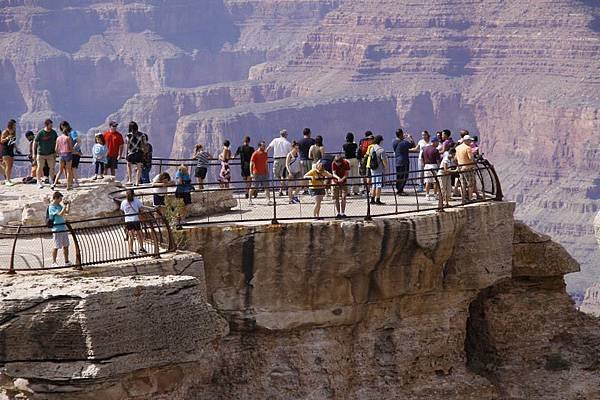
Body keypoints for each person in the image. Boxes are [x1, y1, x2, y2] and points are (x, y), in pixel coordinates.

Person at [120, 189, 147, 256]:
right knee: (139, 235)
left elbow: (122, 210)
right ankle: (141, 248)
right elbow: (141, 208)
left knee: (131, 236)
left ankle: (131, 250)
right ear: (133, 194)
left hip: (128, 221)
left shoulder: (123, 202)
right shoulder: (136, 200)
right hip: (135, 220)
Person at [47, 191, 71, 268]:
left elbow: (66, 212)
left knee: (66, 245)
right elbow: (60, 214)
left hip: (63, 227)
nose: (61, 200)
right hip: (57, 228)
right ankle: (54, 262)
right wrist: (64, 206)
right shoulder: (52, 207)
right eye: (60, 198)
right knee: (56, 246)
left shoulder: (59, 205)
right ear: (56, 198)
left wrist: (68, 205)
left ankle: (66, 261)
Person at [267, 129, 292, 196]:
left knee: (276, 174)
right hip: (285, 160)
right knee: (283, 176)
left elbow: (269, 148)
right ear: (286, 135)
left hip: (277, 160)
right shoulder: (288, 143)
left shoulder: (275, 140)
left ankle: (281, 190)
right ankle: (285, 188)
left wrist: (265, 155)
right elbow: (291, 153)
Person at [34, 119, 58, 189]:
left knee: (52, 167)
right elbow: (35, 143)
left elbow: (56, 142)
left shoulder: (53, 132)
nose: (52, 126)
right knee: (39, 167)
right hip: (41, 153)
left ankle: (51, 181)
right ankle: (39, 182)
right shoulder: (41, 133)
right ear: (46, 125)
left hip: (51, 153)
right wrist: (34, 153)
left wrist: (56, 152)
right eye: (50, 125)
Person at [52, 121, 74, 191]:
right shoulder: (68, 138)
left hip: (61, 155)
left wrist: (59, 153)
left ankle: (54, 184)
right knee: (68, 171)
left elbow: (56, 149)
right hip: (68, 154)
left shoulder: (58, 138)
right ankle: (68, 186)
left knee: (60, 170)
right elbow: (71, 148)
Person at [392, 128, 414, 195]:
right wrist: (410, 138)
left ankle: (398, 189)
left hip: (397, 161)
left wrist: (402, 138)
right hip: (404, 161)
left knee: (399, 176)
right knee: (404, 176)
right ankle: (400, 191)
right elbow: (412, 145)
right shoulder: (404, 142)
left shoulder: (394, 142)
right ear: (401, 134)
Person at [125, 121, 148, 185]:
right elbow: (145, 145)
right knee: (139, 167)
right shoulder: (142, 135)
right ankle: (137, 181)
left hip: (131, 153)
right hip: (139, 153)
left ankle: (130, 180)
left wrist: (126, 154)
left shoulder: (128, 135)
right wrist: (145, 153)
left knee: (129, 165)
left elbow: (127, 145)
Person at [455, 135, 477, 203]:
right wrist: (474, 161)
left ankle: (463, 199)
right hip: (468, 168)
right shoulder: (468, 148)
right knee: (470, 184)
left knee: (462, 184)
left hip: (461, 167)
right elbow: (471, 158)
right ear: (466, 141)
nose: (470, 141)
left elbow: (455, 158)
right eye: (469, 140)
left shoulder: (458, 148)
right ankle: (470, 198)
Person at [249, 141, 271, 205]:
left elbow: (266, 163)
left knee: (267, 187)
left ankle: (268, 200)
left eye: (264, 146)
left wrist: (267, 172)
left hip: (264, 173)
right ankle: (250, 200)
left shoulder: (265, 153)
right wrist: (251, 173)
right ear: (259, 146)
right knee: (254, 186)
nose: (264, 147)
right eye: (263, 146)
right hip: (256, 173)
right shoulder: (255, 153)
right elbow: (251, 163)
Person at [368, 135, 387, 205]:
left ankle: (372, 199)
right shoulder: (381, 150)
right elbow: (384, 161)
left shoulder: (372, 148)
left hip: (373, 169)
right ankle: (378, 199)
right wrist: (386, 169)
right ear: (380, 141)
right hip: (379, 169)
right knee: (379, 185)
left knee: (374, 184)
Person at [423, 136, 441, 201]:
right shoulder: (435, 150)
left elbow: (422, 158)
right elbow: (438, 161)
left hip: (426, 166)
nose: (438, 143)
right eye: (437, 142)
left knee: (427, 181)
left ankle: (427, 195)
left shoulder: (425, 149)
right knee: (435, 181)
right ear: (434, 142)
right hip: (433, 165)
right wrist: (439, 167)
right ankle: (435, 195)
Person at [298, 128, 315, 194]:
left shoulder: (299, 142)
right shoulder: (312, 141)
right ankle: (311, 188)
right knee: (312, 174)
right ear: (309, 133)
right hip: (311, 160)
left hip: (302, 160)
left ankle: (305, 189)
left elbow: (298, 151)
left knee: (304, 175)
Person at [1, 119, 17, 186]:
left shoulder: (13, 132)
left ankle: (8, 179)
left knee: (10, 166)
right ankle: (7, 180)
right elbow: (1, 140)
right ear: (11, 125)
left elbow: (13, 141)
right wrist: (7, 138)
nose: (15, 126)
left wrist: (16, 148)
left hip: (11, 150)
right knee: (7, 165)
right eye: (14, 124)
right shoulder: (5, 131)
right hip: (6, 150)